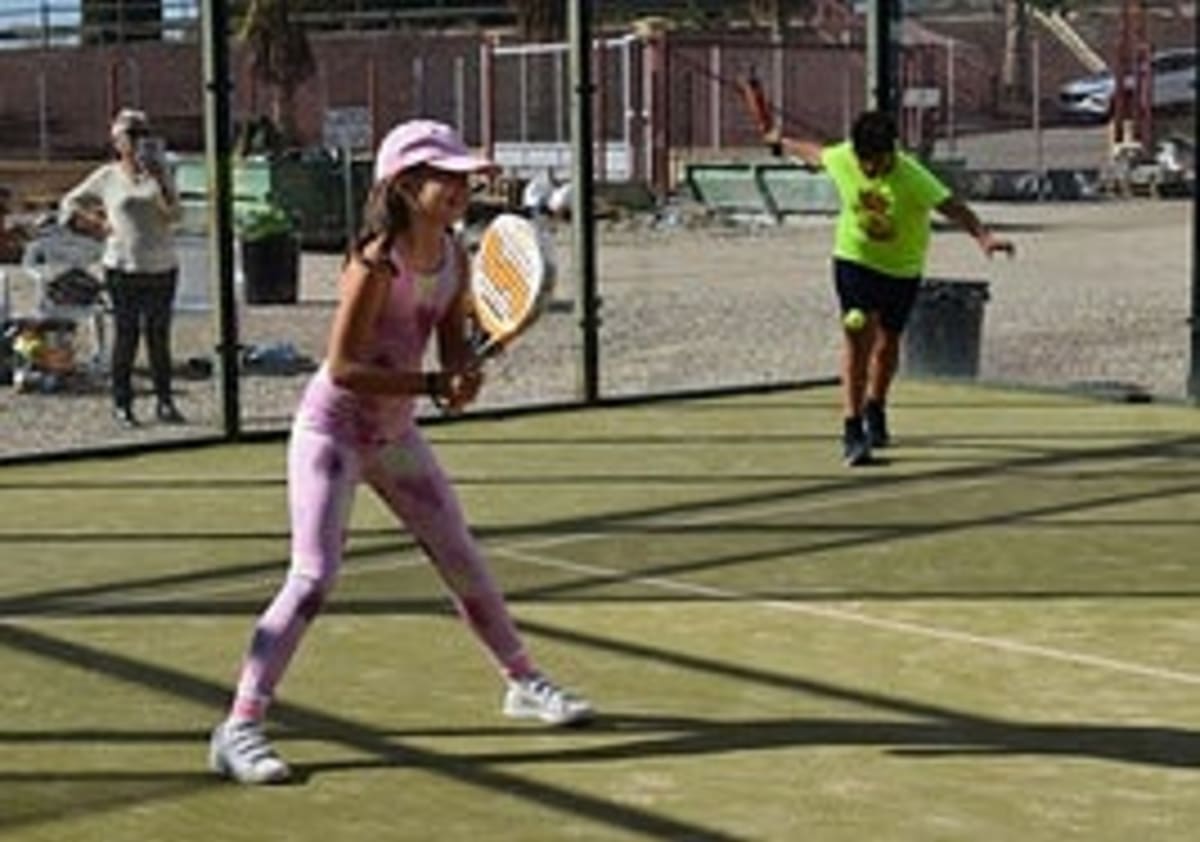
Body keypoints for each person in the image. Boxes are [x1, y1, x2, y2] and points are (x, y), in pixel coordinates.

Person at [208, 119, 593, 786]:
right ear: (407, 187)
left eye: (464, 177)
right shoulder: (374, 263)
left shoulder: (454, 255)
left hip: (394, 437)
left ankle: (523, 682)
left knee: (462, 557)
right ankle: (238, 727)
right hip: (331, 433)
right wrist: (432, 386)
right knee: (312, 578)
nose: (461, 187)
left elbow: (452, 354)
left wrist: (459, 380)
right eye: (445, 177)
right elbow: (344, 367)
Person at [766, 110, 1014, 466]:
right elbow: (816, 154)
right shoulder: (844, 157)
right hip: (854, 260)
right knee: (858, 337)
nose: (868, 168)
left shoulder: (912, 176)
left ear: (891, 153)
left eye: (876, 161)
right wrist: (781, 144)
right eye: (863, 160)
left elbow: (953, 207)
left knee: (888, 343)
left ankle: (876, 406)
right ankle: (853, 430)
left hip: (902, 269)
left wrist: (984, 237)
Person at [59, 108, 185, 427]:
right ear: (117, 142)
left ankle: (165, 401)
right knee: (126, 335)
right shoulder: (107, 176)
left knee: (159, 336)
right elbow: (69, 203)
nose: (138, 141)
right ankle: (122, 403)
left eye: (143, 134)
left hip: (161, 266)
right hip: (122, 266)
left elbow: (175, 215)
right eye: (131, 135)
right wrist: (96, 224)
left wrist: (159, 179)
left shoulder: (161, 173)